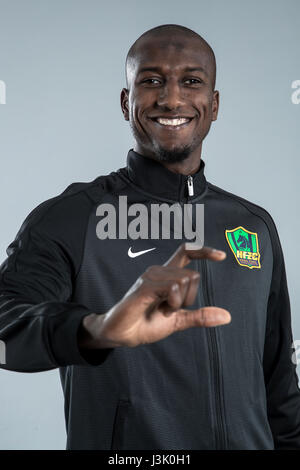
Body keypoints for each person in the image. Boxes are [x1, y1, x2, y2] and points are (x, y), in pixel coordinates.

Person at [0, 23, 299, 450]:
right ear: (126, 102)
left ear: (213, 105)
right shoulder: (73, 217)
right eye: (151, 81)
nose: (171, 98)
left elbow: (280, 386)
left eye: (191, 81)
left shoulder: (254, 226)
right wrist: (95, 330)